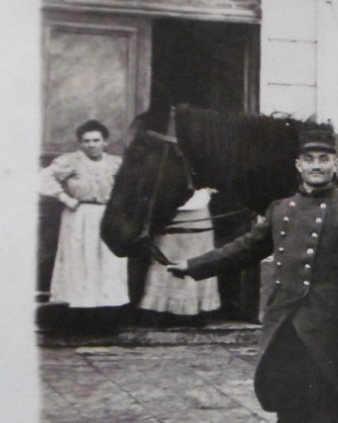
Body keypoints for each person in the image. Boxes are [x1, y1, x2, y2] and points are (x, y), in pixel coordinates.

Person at [170, 124, 338, 423]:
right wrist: (194, 266)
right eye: (309, 159)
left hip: (323, 323)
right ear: (298, 165)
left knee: (324, 394)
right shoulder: (282, 209)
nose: (316, 166)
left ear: (335, 163)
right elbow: (245, 248)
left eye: (324, 159)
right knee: (287, 390)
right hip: (283, 320)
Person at [39, 120, 130, 313]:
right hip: (79, 215)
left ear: (105, 142)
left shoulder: (116, 162)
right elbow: (42, 178)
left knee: (108, 261)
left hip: (108, 216)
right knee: (80, 259)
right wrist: (64, 197)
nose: (91, 145)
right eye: (86, 141)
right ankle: (81, 312)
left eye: (96, 140)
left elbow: (130, 187)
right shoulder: (71, 161)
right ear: (80, 143)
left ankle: (106, 311)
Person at [138, 187, 221, 323]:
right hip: (168, 208)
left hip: (198, 208)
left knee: (196, 256)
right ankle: (162, 309)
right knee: (166, 254)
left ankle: (193, 310)